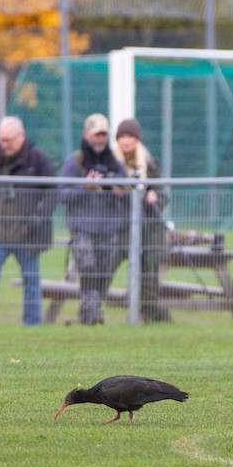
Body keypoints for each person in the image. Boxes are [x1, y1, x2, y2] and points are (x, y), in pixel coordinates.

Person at [60, 114, 171, 325]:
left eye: (104, 135)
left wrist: (132, 193)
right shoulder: (77, 161)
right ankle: (91, 313)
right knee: (91, 269)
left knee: (143, 278)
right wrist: (86, 186)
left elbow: (154, 192)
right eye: (97, 135)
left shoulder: (132, 163)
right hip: (99, 230)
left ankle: (149, 318)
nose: (100, 139)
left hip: (128, 230)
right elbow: (63, 194)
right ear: (87, 135)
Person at [0, 116, 57, 326]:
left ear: (21, 136)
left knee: (31, 280)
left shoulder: (37, 159)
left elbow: (52, 192)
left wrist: (37, 218)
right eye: (2, 140)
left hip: (26, 233)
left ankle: (32, 323)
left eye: (9, 140)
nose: (5, 145)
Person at [113, 118, 173, 323]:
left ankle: (150, 316)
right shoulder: (112, 164)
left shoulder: (148, 162)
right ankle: (93, 311)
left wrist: (154, 196)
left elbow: (163, 194)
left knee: (148, 278)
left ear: (137, 139)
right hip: (121, 231)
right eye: (122, 137)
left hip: (149, 231)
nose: (126, 141)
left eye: (130, 137)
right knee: (106, 268)